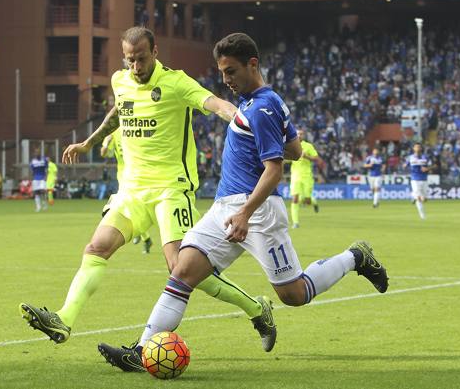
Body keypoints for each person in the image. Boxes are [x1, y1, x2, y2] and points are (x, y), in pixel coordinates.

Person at [97, 32, 389, 372]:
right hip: (225, 208)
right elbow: (294, 150)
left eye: (231, 71)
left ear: (253, 64)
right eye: (222, 72)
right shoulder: (263, 101)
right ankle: (142, 349)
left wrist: (245, 213)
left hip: (258, 213)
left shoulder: (263, 107)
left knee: (294, 294)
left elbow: (275, 170)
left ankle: (355, 257)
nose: (226, 80)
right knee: (182, 271)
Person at [20, 26, 275, 354]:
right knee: (97, 247)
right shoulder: (120, 80)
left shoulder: (176, 82)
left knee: (181, 269)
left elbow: (214, 103)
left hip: (171, 190)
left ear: (155, 52)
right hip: (132, 191)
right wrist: (89, 142)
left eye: (141, 59)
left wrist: (243, 120)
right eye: (130, 61)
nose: (135, 67)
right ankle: (64, 319)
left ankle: (257, 309)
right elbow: (120, 111)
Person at [101, 130, 153, 254]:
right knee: (125, 211)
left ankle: (139, 233)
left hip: (139, 176)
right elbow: (103, 154)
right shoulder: (112, 133)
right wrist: (106, 144)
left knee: (134, 210)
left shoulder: (135, 127)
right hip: (124, 179)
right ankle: (144, 238)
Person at [289, 129, 320, 228]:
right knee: (295, 199)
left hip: (307, 175)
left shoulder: (308, 146)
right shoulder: (291, 145)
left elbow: (316, 158)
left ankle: (314, 202)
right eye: (297, 134)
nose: (299, 135)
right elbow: (287, 157)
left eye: (301, 134)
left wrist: (306, 156)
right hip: (295, 175)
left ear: (304, 135)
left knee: (307, 200)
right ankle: (295, 222)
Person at [406, 143, 431, 219]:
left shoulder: (425, 157)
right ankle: (422, 216)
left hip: (424, 179)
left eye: (419, 147)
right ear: (413, 148)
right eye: (416, 147)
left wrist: (427, 169)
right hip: (415, 179)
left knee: (424, 199)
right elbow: (405, 165)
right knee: (419, 198)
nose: (418, 148)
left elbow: (433, 165)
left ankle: (413, 195)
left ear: (421, 148)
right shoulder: (410, 158)